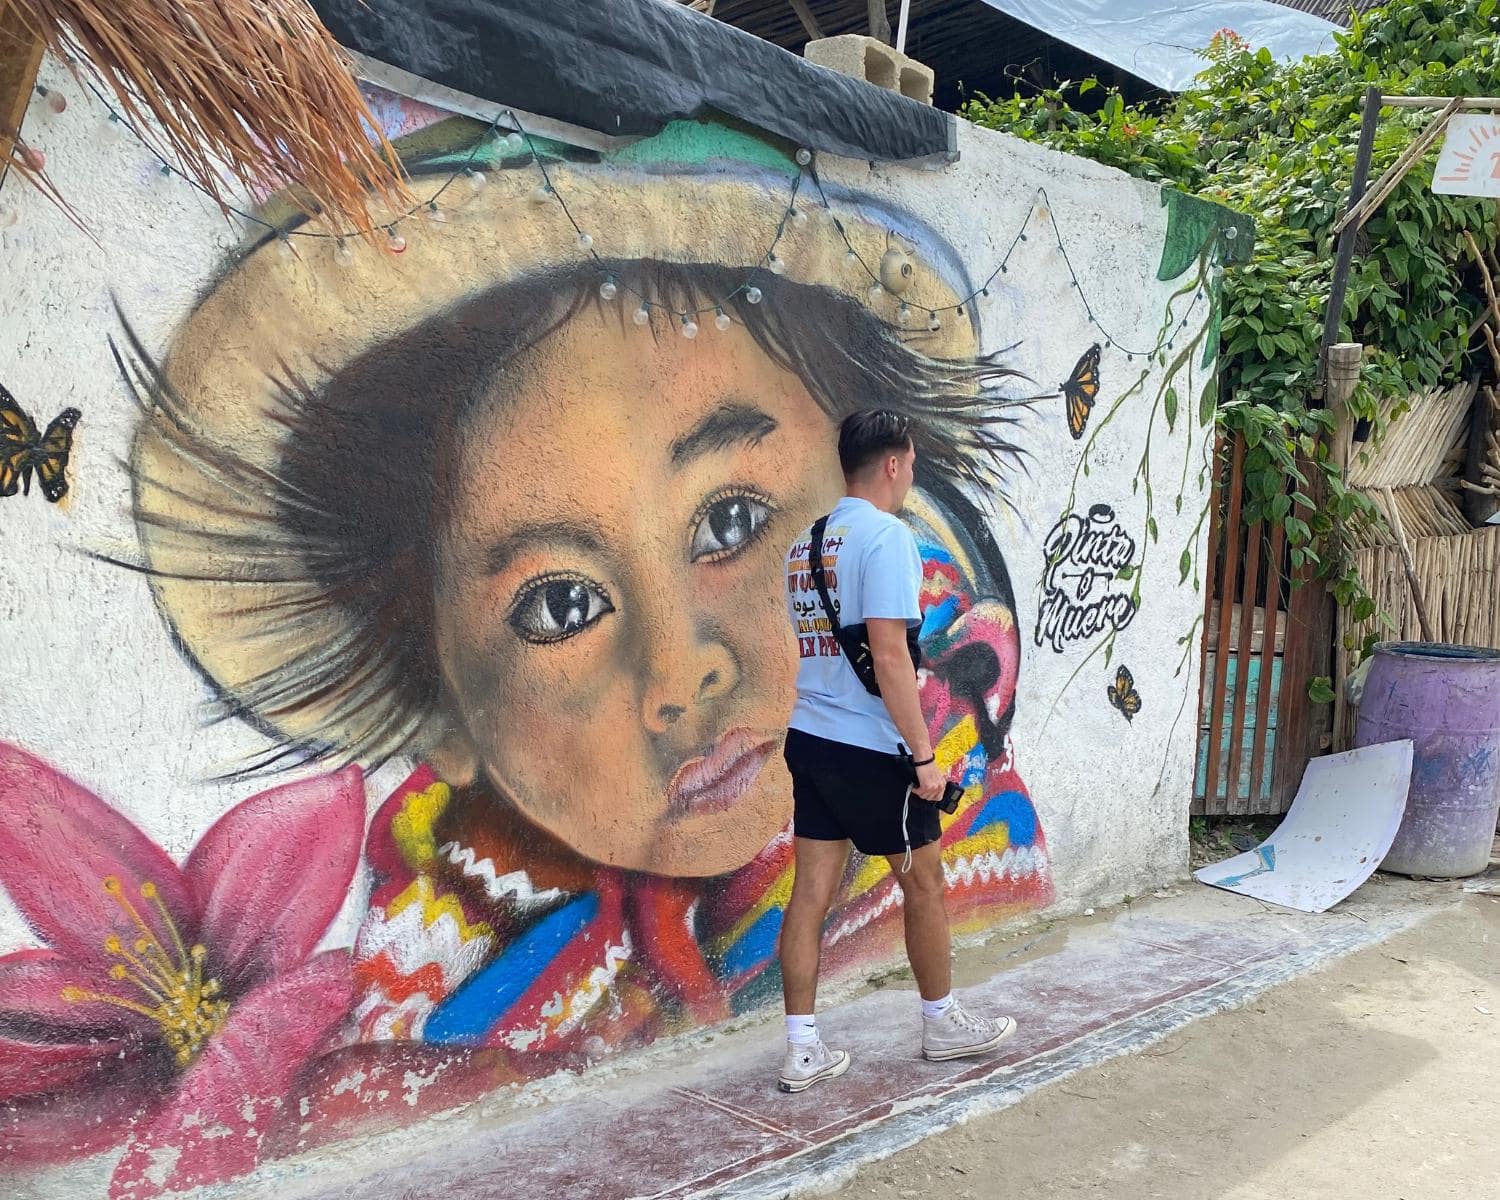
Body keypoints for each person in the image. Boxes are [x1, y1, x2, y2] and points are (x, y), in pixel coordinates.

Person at [117, 115, 1052, 1096]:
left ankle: (842, 1033)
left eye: (731, 519)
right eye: (561, 605)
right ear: (449, 719)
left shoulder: (956, 711)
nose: (682, 666)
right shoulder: (434, 984)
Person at [777, 409, 1016, 1093]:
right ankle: (942, 1024)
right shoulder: (887, 538)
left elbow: (826, 648)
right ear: (892, 463)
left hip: (811, 737)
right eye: (909, 464)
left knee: (811, 893)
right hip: (873, 749)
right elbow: (887, 652)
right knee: (926, 884)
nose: (910, 476)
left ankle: (802, 1050)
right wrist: (922, 754)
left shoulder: (807, 544)